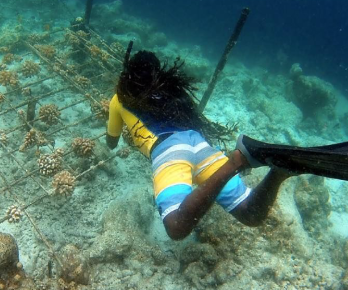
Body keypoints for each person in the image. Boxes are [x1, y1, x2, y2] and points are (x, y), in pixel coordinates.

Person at [106, 49, 292, 241]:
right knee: (251, 214)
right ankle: (279, 171)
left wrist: (121, 135)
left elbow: (111, 140)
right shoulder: (170, 91)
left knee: (176, 227)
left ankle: (236, 162)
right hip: (197, 143)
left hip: (168, 150)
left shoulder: (118, 99)